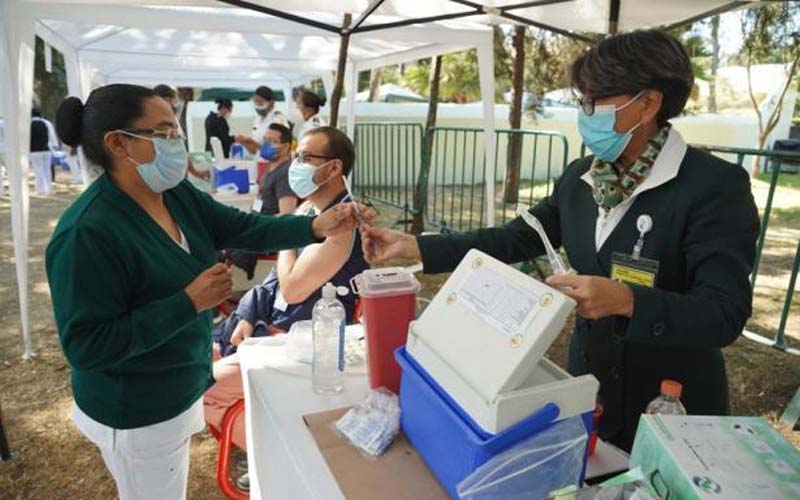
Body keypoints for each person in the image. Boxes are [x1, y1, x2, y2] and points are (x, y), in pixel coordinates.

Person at [362, 30, 760, 452]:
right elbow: (517, 237)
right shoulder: (582, 178)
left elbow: (724, 312)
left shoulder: (713, 187)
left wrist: (628, 301)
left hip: (668, 409)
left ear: (648, 103)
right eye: (581, 101)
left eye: (594, 101)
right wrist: (417, 247)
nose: (584, 114)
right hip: (591, 385)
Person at [46, 84, 369, 500]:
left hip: (178, 388)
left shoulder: (173, 195)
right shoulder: (87, 233)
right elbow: (88, 346)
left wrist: (313, 227)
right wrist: (188, 302)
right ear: (118, 143)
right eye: (164, 133)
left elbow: (243, 227)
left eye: (176, 130)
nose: (177, 142)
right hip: (136, 410)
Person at [204, 127, 368, 490]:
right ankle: (269, 454)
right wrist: (247, 313)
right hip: (269, 326)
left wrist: (288, 236)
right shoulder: (310, 209)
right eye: (296, 156)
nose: (296, 164)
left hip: (303, 341)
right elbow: (271, 284)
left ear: (334, 167)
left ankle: (282, 466)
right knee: (198, 358)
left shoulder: (342, 222)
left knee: (202, 387)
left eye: (306, 157)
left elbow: (291, 290)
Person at [226, 123, 299, 279]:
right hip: (258, 222)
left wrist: (256, 225)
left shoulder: (284, 173)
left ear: (286, 147)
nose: (266, 145)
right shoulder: (271, 168)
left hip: (267, 231)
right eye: (265, 140)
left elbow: (286, 215)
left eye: (273, 141)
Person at [234, 85, 289, 155]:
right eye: (255, 103)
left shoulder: (278, 120)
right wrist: (244, 142)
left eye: (260, 103)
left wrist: (252, 142)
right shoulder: (257, 120)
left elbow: (276, 151)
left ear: (271, 103)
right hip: (258, 160)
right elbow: (254, 151)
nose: (257, 106)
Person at [30, 108, 59, 195]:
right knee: (47, 169)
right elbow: (52, 136)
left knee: (38, 170)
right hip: (46, 149)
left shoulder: (29, 124)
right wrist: (54, 146)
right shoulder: (46, 123)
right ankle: (49, 188)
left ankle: (41, 190)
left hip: (34, 151)